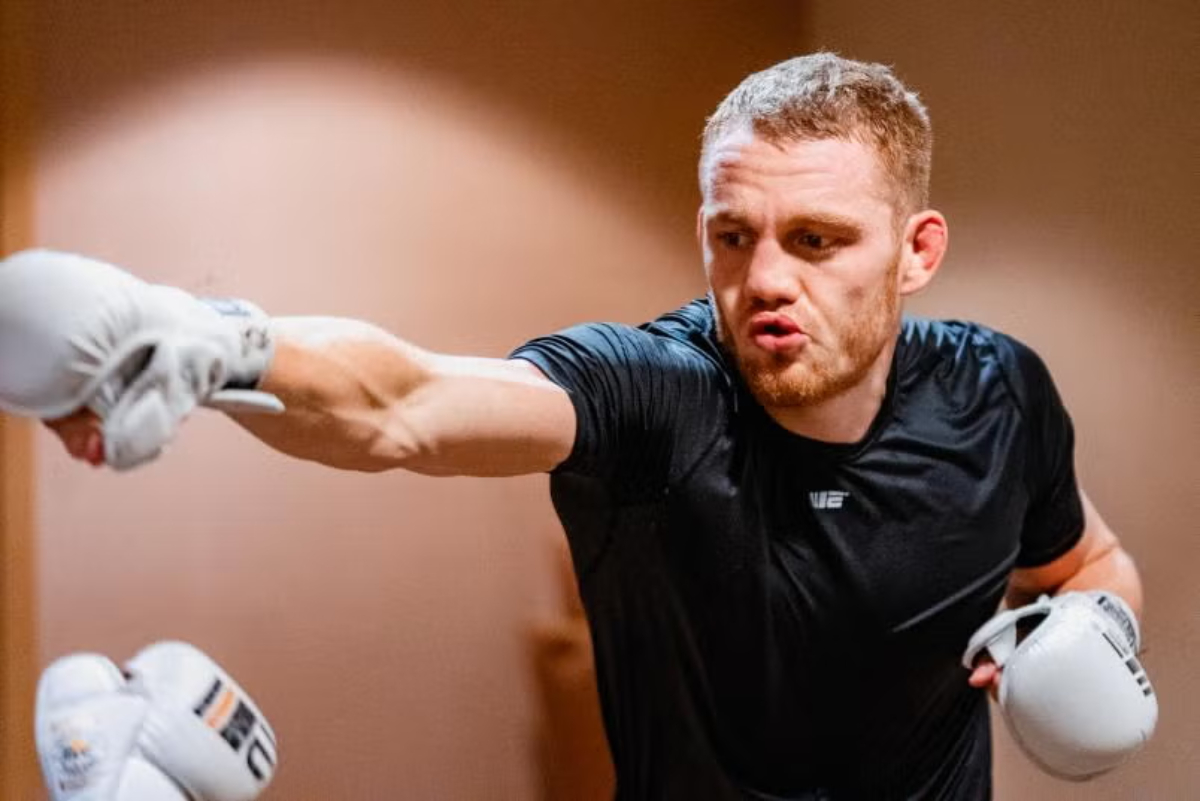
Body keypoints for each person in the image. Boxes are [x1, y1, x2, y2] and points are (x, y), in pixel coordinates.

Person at [3, 53, 1150, 799]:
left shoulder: (999, 395)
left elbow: (1086, 558)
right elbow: (410, 403)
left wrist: (1100, 622)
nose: (760, 281)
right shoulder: (657, 390)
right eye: (731, 235)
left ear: (917, 252)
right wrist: (221, 346)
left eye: (815, 241)